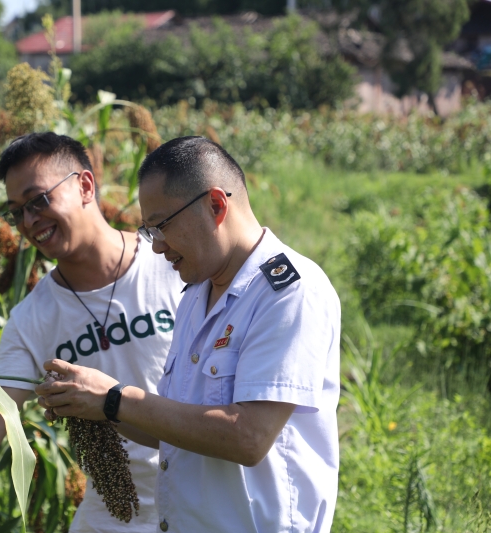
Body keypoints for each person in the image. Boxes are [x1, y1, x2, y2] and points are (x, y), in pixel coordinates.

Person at [35, 136, 341, 532]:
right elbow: (178, 427)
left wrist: (114, 397)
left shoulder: (288, 292)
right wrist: (92, 405)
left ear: (216, 205)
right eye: (148, 232)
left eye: (161, 227)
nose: (157, 247)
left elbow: (248, 437)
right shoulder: (197, 293)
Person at [0, 132, 184, 532]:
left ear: (85, 186)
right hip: (114, 518)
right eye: (17, 211)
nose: (29, 221)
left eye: (39, 200)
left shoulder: (173, 266)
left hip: (202, 501)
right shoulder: (32, 317)